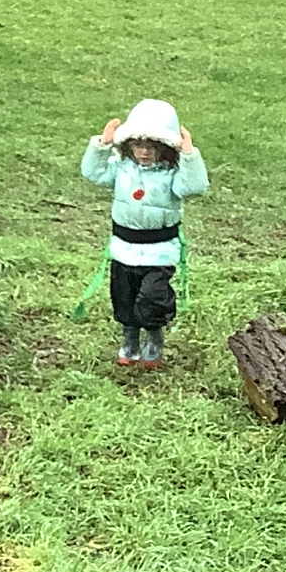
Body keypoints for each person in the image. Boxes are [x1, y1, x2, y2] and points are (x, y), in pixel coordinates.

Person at [81, 99, 208, 369]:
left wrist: (189, 156)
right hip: (123, 248)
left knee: (153, 297)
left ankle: (154, 337)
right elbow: (93, 173)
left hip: (159, 251)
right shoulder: (120, 168)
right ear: (127, 145)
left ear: (166, 147)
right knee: (123, 297)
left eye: (153, 146)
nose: (144, 152)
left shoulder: (172, 174)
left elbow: (194, 187)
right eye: (138, 145)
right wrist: (101, 146)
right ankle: (130, 339)